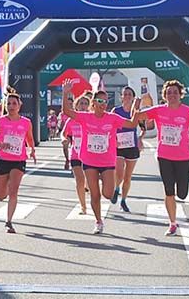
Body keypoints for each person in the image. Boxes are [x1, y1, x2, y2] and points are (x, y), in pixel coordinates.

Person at [134, 79, 189, 236]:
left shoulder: (187, 112)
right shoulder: (158, 110)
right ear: (165, 95)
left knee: (182, 193)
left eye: (175, 92)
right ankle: (172, 222)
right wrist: (136, 107)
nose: (172, 95)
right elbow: (137, 117)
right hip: (164, 157)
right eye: (169, 92)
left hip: (182, 157)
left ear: (180, 94)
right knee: (169, 191)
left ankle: (176, 210)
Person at [62, 89, 139, 234]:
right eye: (99, 101)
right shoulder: (86, 117)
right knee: (95, 194)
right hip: (89, 160)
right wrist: (66, 93)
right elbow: (67, 111)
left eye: (105, 101)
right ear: (93, 102)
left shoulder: (112, 118)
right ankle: (98, 221)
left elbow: (132, 124)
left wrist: (136, 107)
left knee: (108, 194)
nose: (103, 104)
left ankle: (107, 185)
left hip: (107, 162)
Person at [0, 91, 36, 234]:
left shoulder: (26, 122)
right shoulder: (0, 121)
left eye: (14, 103)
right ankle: (7, 185)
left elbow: (29, 139)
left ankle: (8, 221)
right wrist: (0, 144)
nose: (11, 106)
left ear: (19, 106)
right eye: (8, 103)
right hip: (2, 160)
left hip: (18, 160)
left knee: (14, 191)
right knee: (1, 195)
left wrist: (32, 150)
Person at [111, 87, 141, 213]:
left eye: (130, 94)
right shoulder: (116, 111)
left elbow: (144, 127)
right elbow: (110, 126)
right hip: (118, 145)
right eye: (125, 94)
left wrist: (140, 139)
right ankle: (116, 188)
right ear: (121, 97)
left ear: (133, 97)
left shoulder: (136, 111)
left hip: (132, 145)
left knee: (128, 177)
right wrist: (113, 139)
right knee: (119, 173)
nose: (127, 96)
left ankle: (123, 200)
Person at [60, 93, 90, 214]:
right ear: (76, 106)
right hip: (76, 154)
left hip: (90, 155)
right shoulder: (71, 120)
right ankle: (83, 206)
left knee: (89, 181)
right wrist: (64, 139)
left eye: (86, 104)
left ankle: (89, 189)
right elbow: (63, 133)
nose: (83, 106)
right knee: (79, 180)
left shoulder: (92, 118)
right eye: (81, 103)